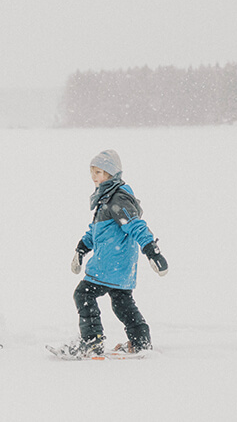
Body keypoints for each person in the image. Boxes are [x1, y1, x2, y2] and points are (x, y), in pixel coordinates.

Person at [68, 149, 169, 356]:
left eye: (98, 172)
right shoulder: (106, 198)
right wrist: (81, 248)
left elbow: (136, 226)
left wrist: (152, 251)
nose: (93, 177)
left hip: (109, 265)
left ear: (111, 173)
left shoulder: (117, 199)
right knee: (122, 304)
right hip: (121, 268)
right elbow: (97, 230)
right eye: (92, 172)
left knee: (83, 294)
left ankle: (92, 341)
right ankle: (140, 342)